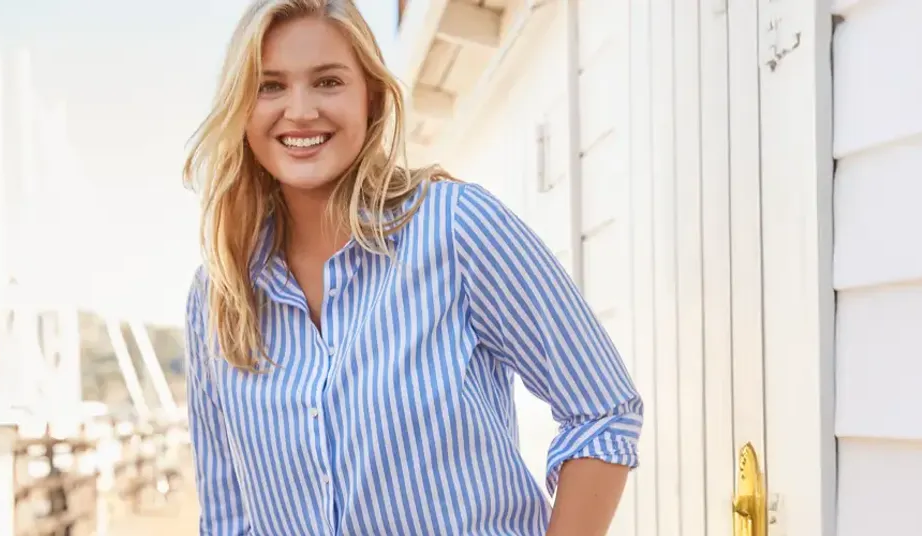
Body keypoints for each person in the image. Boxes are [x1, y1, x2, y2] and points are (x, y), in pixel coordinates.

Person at [180, 1, 642, 534]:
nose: (300, 110)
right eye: (270, 86)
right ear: (241, 108)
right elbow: (229, 517)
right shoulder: (218, 295)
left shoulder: (456, 228)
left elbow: (602, 408)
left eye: (328, 82)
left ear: (370, 99)